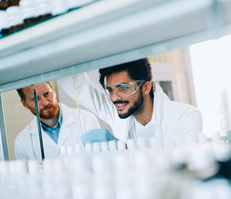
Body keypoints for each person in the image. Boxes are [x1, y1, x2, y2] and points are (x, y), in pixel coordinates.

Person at [59, 58, 203, 147]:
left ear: (146, 87)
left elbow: (187, 166)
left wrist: (123, 149)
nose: (114, 98)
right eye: (110, 90)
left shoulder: (186, 116)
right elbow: (79, 88)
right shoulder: (118, 109)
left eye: (123, 88)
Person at [15, 82, 100, 160]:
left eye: (47, 94)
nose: (45, 102)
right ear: (25, 104)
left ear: (53, 90)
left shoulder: (86, 119)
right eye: (36, 99)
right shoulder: (22, 142)